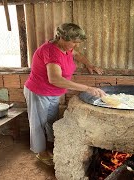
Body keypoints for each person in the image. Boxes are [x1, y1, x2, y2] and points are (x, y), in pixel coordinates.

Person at [23, 23, 106, 166]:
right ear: (61, 37)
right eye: (73, 41)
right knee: (38, 123)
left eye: (77, 42)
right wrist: (86, 88)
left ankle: (52, 144)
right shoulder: (51, 52)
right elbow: (55, 79)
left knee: (51, 120)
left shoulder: (67, 48)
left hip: (53, 93)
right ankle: (41, 152)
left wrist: (89, 65)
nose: (75, 45)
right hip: (38, 92)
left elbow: (77, 55)